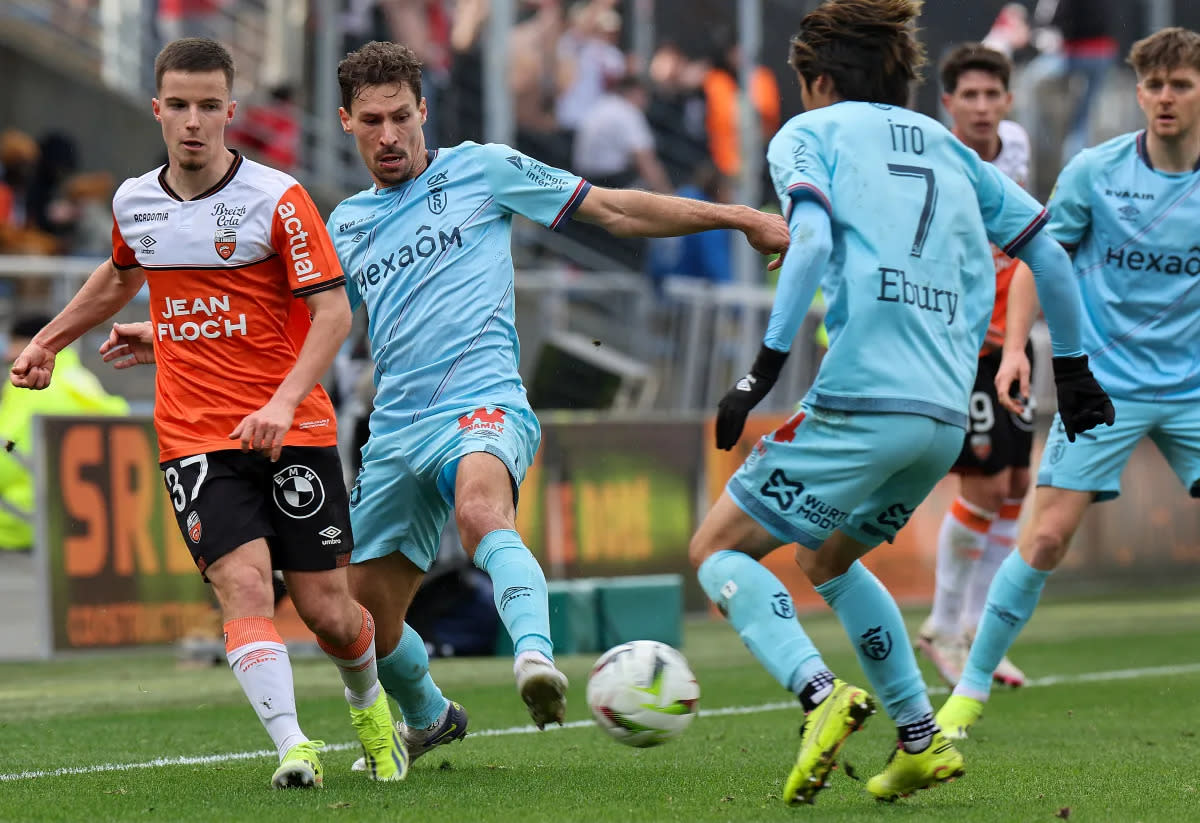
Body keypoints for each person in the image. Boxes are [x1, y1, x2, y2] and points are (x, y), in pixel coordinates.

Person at [685, 0, 1112, 805]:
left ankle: (819, 695)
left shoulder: (810, 134)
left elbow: (806, 239)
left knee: (717, 549)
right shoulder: (957, 152)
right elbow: (1047, 251)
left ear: (815, 81)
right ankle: (919, 737)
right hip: (944, 420)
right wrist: (1079, 373)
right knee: (826, 557)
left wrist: (761, 371)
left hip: (860, 402)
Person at [325, 40, 788, 744]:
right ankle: (430, 717)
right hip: (395, 430)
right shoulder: (347, 225)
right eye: (371, 121)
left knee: (482, 509)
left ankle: (535, 658)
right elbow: (308, 325)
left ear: (423, 110)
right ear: (346, 123)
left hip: (482, 403)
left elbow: (616, 210)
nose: (389, 136)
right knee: (359, 622)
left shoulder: (482, 169)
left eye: (400, 116)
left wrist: (741, 217)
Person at [12, 38, 407, 788]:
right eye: (180, 106)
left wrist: (283, 401)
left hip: (295, 429)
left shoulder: (278, 199)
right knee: (245, 587)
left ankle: (371, 711)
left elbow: (330, 315)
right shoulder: (135, 200)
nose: (194, 122)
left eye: (209, 106)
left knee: (327, 610)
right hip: (194, 435)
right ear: (159, 110)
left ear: (232, 111)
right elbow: (120, 273)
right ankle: (294, 746)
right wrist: (51, 339)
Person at [937, 26, 1200, 741]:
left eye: (1181, 84)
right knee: (1046, 535)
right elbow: (1032, 260)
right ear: (1140, 92)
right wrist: (1017, 346)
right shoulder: (1095, 171)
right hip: (1104, 387)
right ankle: (966, 691)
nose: (1165, 98)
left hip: (1193, 389)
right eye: (1154, 85)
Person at [916, 43, 1036, 689]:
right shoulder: (935, 158)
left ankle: (978, 629)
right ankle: (942, 623)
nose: (984, 107)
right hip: (965, 348)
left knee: (1017, 484)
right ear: (949, 103)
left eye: (994, 95)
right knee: (984, 487)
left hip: (1017, 339)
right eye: (971, 96)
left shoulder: (1015, 149)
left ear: (1008, 102)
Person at [0, 313, 129, 553]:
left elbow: (9, 450)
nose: (8, 354)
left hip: (25, 517)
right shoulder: (82, 381)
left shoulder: (32, 382)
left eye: (13, 344)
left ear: (29, 345)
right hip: (85, 525)